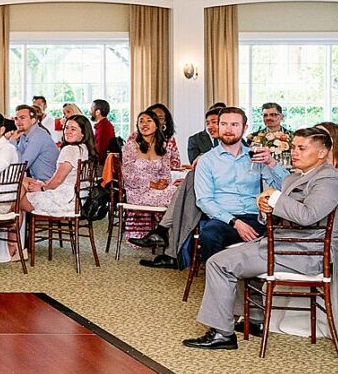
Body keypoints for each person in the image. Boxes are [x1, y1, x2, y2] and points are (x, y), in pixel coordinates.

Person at [185, 123, 338, 353]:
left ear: (322, 153)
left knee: (219, 263)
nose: (294, 152)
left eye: (301, 148)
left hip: (304, 252)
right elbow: (277, 209)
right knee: (228, 255)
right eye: (293, 147)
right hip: (281, 244)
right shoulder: (294, 178)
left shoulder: (328, 180)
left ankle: (222, 333)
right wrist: (264, 206)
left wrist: (273, 199)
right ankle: (255, 319)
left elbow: (308, 215)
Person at [192, 105, 283, 273]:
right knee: (208, 235)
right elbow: (204, 201)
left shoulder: (256, 156)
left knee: (283, 234)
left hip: (256, 217)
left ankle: (259, 285)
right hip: (223, 219)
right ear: (217, 126)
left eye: (234, 125)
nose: (228, 129)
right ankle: (221, 286)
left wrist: (272, 163)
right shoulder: (207, 160)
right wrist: (235, 222)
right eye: (224, 124)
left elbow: (283, 188)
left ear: (244, 128)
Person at [121, 104, 182, 242]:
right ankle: (168, 235)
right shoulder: (131, 146)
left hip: (158, 191)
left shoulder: (163, 146)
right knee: (180, 196)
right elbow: (128, 176)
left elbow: (166, 173)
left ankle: (168, 236)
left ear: (157, 125)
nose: (144, 124)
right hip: (137, 192)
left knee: (181, 191)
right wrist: (151, 184)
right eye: (141, 121)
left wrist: (165, 183)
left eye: (149, 121)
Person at [13, 103, 59, 184]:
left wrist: (13, 141)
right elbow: (16, 159)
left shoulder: (38, 135)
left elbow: (21, 166)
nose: (18, 122)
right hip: (38, 181)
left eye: (22, 118)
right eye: (16, 119)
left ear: (33, 120)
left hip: (49, 184)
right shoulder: (24, 135)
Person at [90, 99, 118, 165]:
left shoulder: (104, 127)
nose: (90, 111)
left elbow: (101, 150)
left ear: (98, 112)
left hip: (102, 164)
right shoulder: (102, 125)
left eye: (91, 108)